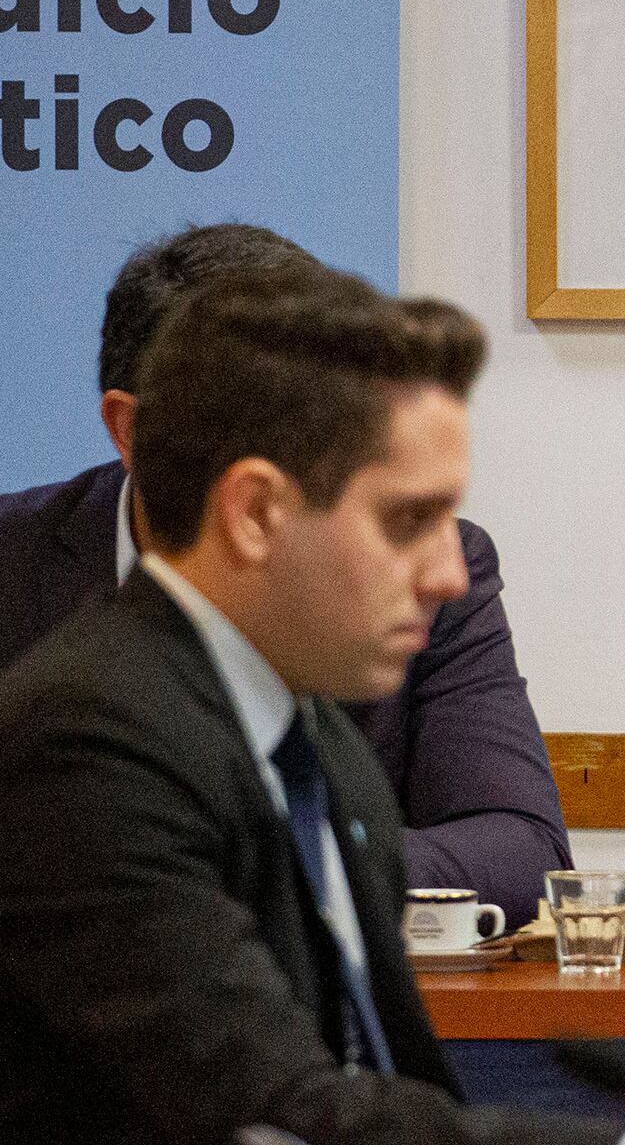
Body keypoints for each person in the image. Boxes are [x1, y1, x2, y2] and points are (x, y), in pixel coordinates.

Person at [0, 269, 625, 1145]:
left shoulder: (314, 738)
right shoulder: (90, 744)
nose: (450, 575)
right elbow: (280, 1115)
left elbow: (389, 1092)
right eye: (406, 521)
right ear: (254, 513)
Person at [0, 222, 572, 927]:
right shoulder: (30, 598)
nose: (442, 574)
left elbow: (522, 852)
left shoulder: (337, 756)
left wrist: (297, 868)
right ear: (132, 432)